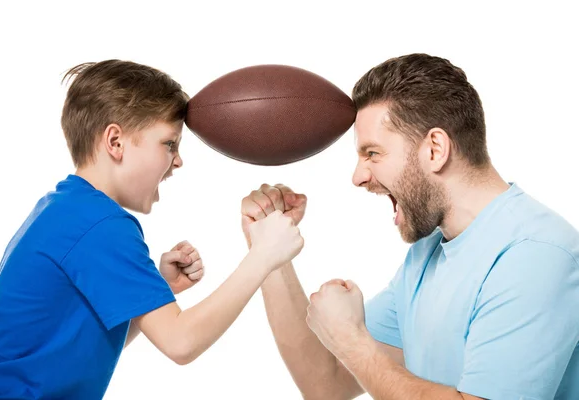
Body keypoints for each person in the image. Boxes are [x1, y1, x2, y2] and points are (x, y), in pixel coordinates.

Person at [241, 54, 579, 399]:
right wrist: (269, 253)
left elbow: (358, 357)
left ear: (435, 149)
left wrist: (354, 343)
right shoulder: (429, 253)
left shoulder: (535, 255)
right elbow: (324, 382)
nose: (358, 177)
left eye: (372, 153)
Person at [0, 60, 304, 399]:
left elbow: (74, 344)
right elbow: (182, 343)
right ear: (115, 142)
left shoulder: (64, 208)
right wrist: (263, 256)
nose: (178, 161)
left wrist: (151, 293)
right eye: (169, 144)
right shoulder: (101, 224)